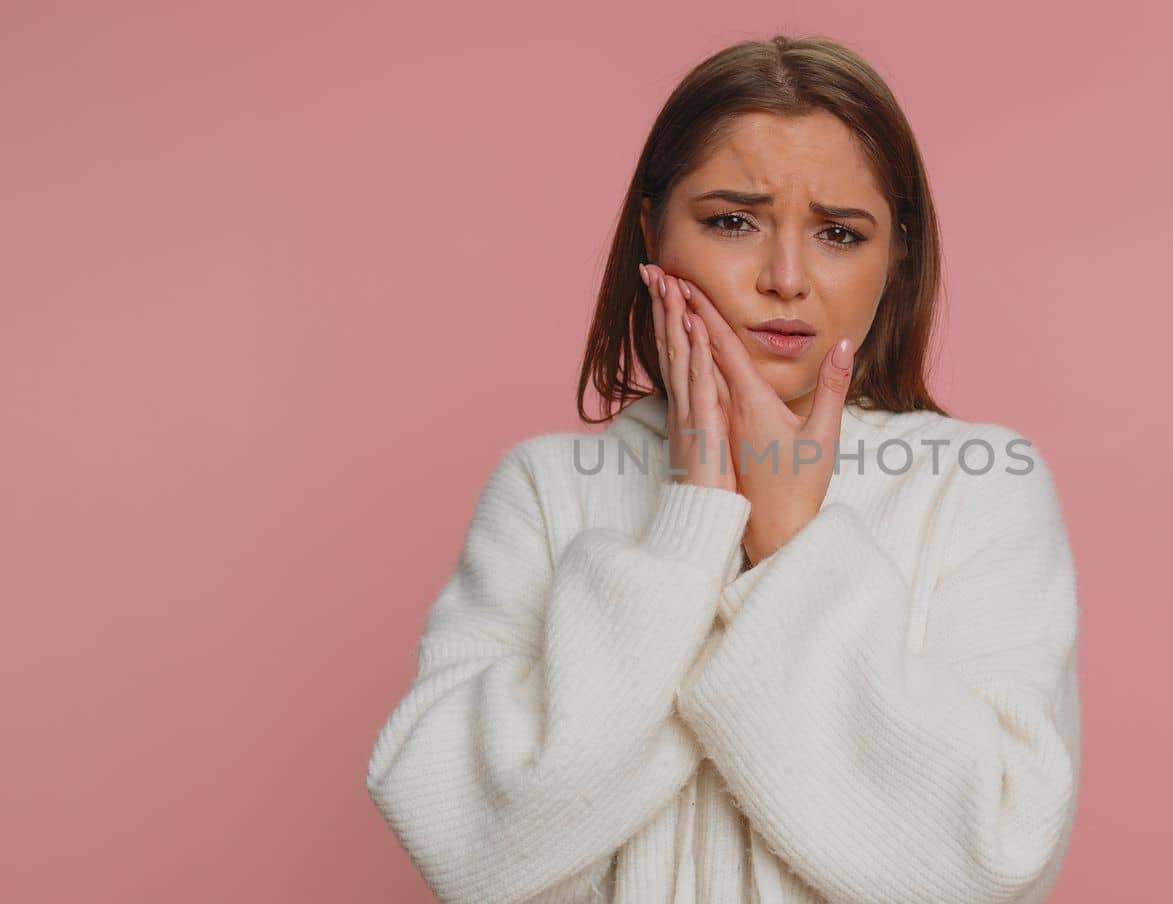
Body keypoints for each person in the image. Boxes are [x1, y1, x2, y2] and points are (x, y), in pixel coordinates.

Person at [364, 33, 1082, 904]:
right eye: (732, 221)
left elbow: (989, 862)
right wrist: (695, 519)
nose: (786, 277)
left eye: (839, 233)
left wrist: (792, 543)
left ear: (896, 256)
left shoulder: (979, 485)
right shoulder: (545, 490)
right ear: (651, 231)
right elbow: (478, 851)